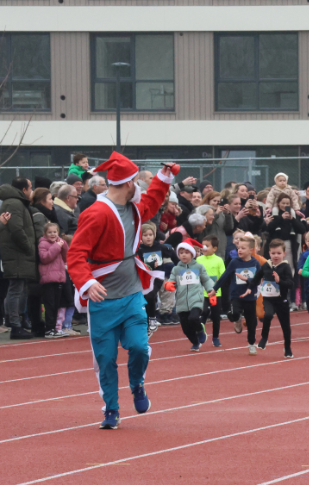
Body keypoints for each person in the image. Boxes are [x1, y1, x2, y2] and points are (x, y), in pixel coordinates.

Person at [67, 154, 177, 429]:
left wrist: (164, 177)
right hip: (103, 300)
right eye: (137, 179)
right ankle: (111, 410)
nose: (140, 184)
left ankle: (137, 384)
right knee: (105, 359)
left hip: (131, 295)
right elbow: (76, 254)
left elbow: (152, 201)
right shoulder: (96, 213)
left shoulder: (134, 207)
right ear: (128, 183)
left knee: (139, 347)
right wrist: (88, 282)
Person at [243, 238, 294, 357]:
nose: (276, 256)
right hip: (268, 298)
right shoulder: (266, 265)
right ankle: (264, 337)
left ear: (284, 254)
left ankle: (287, 348)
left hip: (281, 300)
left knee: (285, 325)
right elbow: (256, 278)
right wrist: (250, 287)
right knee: (268, 315)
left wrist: (279, 281)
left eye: (279, 253)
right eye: (273, 253)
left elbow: (291, 284)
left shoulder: (285, 267)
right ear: (269, 253)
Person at [165, 240, 217, 352]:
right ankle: (195, 342)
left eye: (187, 252)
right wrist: (169, 285)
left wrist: (211, 292)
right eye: (181, 252)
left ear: (192, 254)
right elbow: (171, 280)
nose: (184, 255)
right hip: (181, 301)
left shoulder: (199, 267)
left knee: (193, 318)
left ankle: (200, 330)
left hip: (196, 298)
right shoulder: (176, 269)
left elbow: (206, 280)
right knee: (185, 328)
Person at [0, 177, 36, 339]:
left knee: (18, 288)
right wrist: (28, 247)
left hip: (17, 253)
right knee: (15, 289)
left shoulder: (14, 203)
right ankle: (15, 324)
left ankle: (16, 321)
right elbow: (16, 228)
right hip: (17, 254)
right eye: (30, 187)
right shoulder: (14, 203)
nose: (32, 190)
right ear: (24, 190)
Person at [215, 234, 263, 354]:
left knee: (252, 323)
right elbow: (225, 276)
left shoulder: (255, 263)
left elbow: (257, 281)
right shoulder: (234, 262)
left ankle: (251, 343)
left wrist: (247, 280)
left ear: (251, 250)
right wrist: (214, 289)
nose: (239, 250)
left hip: (250, 298)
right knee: (235, 313)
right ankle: (237, 319)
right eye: (239, 248)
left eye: (243, 248)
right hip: (236, 295)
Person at [136, 222, 178, 336]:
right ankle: (148, 320)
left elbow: (172, 254)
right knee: (145, 298)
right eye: (145, 235)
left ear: (154, 236)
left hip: (157, 276)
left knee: (150, 295)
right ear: (140, 238)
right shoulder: (139, 250)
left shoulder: (160, 247)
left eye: (150, 234)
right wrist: (148, 265)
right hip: (145, 277)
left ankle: (153, 319)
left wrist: (179, 266)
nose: (148, 237)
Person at [38, 222, 69, 339]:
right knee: (50, 305)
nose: (52, 234)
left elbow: (66, 256)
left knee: (57, 304)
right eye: (50, 232)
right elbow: (45, 258)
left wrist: (63, 244)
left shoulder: (59, 243)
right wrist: (57, 246)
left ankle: (55, 328)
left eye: (55, 232)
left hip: (58, 278)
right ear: (45, 234)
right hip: (49, 279)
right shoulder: (43, 243)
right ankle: (49, 328)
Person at [196, 235, 226, 347]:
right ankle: (200, 334)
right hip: (202, 293)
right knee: (202, 312)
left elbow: (223, 275)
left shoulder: (218, 260)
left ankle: (215, 337)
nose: (204, 248)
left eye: (207, 246)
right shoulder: (198, 259)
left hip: (215, 293)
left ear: (214, 248)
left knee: (216, 317)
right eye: (202, 245)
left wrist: (218, 281)